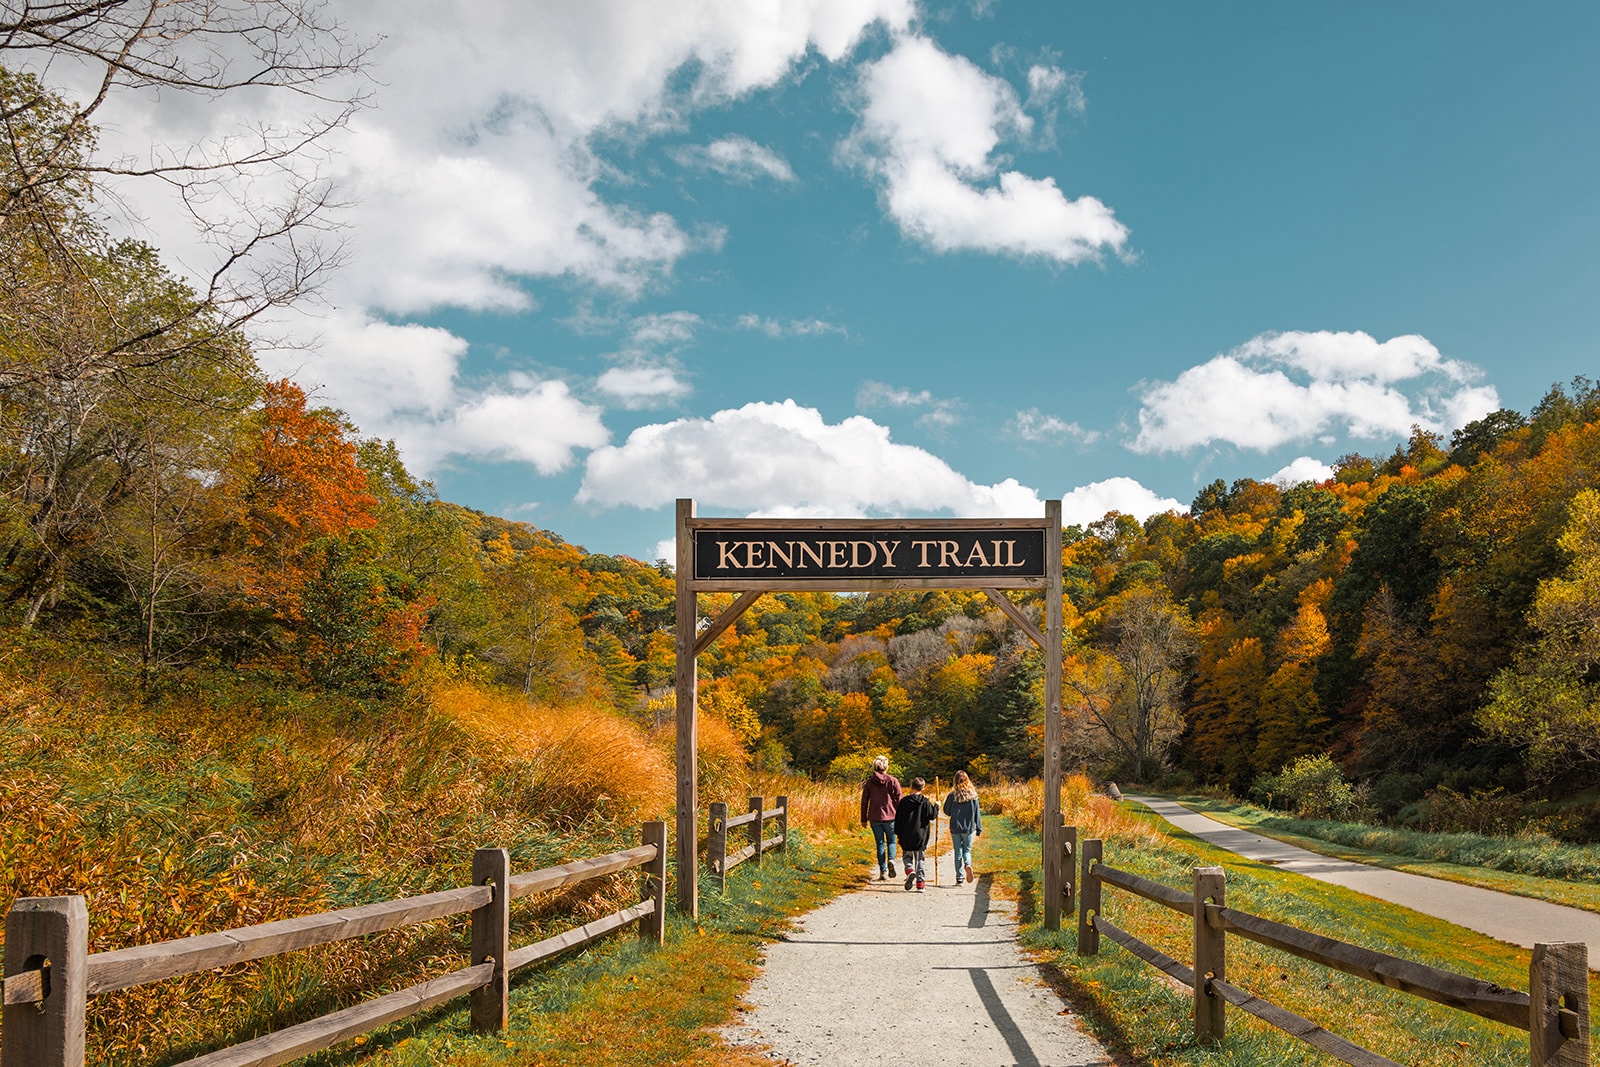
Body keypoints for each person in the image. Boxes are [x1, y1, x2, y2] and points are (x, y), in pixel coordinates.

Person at [860, 755, 902, 880]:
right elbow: (899, 799)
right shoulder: (893, 780)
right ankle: (891, 860)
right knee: (892, 841)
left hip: (875, 817)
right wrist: (902, 816)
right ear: (886, 766)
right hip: (891, 816)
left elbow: (864, 801)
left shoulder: (869, 782)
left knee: (880, 844)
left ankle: (883, 872)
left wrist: (863, 818)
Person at [894, 777, 938, 892]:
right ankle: (920, 883)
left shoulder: (903, 802)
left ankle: (909, 870)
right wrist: (937, 806)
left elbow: (898, 819)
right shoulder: (925, 802)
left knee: (907, 856)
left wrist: (897, 832)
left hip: (906, 835)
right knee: (920, 859)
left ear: (911, 786)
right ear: (922, 788)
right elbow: (932, 815)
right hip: (921, 835)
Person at [942, 770, 983, 886]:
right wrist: (979, 827)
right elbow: (977, 813)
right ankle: (968, 864)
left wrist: (954, 812)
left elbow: (946, 811)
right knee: (966, 850)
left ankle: (959, 877)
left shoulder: (952, 795)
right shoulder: (973, 796)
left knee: (958, 851)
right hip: (968, 828)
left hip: (955, 827)